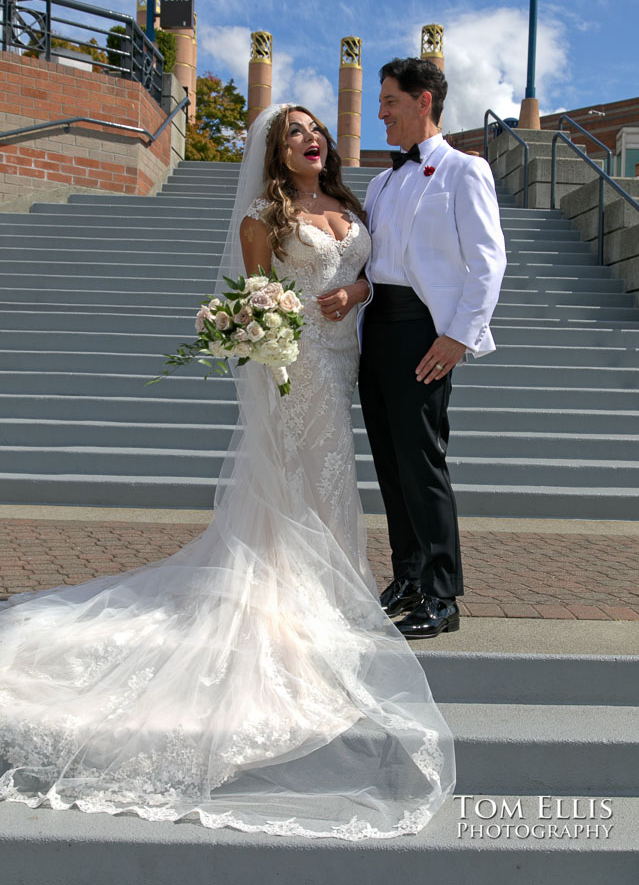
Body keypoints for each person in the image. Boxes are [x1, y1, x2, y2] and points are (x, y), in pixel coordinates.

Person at [0, 103, 455, 839]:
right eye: (293, 135)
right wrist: (274, 345)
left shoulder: (348, 202)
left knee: (334, 478)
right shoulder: (261, 215)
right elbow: (256, 300)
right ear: (276, 154)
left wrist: (359, 291)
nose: (310, 140)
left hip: (342, 362)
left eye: (315, 131)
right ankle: (294, 595)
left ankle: (326, 585)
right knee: (306, 476)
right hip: (297, 363)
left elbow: (370, 274)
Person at [359, 58, 507, 639]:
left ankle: (443, 596)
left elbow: (488, 261)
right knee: (391, 466)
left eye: (390, 101)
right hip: (378, 330)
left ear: (424, 101)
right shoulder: (381, 181)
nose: (380, 113)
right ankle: (410, 575)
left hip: (425, 333)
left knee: (422, 464)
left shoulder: (464, 170)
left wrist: (458, 335)